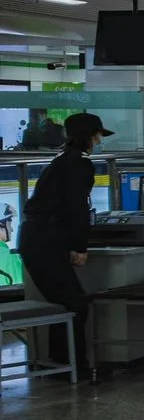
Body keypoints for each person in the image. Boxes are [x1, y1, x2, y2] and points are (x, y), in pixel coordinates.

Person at [19, 113, 112, 374]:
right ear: (91, 136)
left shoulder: (62, 159)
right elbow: (76, 207)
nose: (99, 141)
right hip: (45, 240)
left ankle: (64, 362)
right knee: (75, 304)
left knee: (67, 303)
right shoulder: (79, 164)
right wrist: (79, 247)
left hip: (36, 236)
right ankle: (72, 366)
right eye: (98, 136)